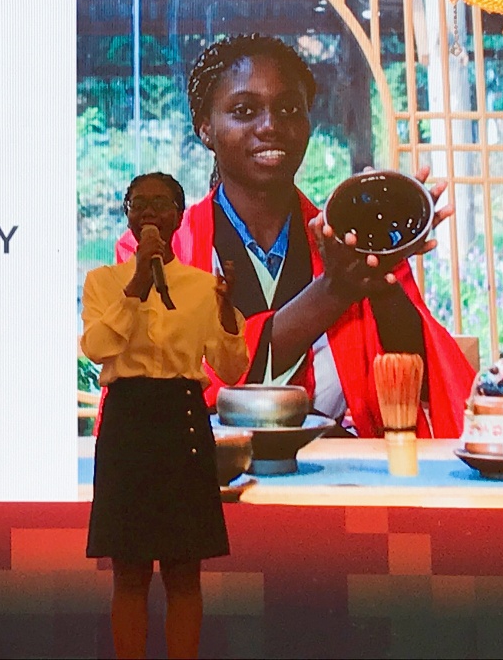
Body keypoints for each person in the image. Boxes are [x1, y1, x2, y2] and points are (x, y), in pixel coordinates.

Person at [115, 34, 474, 437]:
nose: (270, 125)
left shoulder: (347, 243)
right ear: (206, 129)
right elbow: (171, 383)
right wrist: (332, 292)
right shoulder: (157, 249)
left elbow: (417, 384)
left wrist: (384, 276)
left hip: (337, 469)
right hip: (201, 471)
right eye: (244, 110)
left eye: (288, 109)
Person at [81, 172, 248, 660]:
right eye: (138, 203)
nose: (149, 212)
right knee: (129, 572)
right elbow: (96, 347)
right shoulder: (103, 282)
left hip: (182, 424)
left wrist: (226, 312)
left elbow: (230, 369)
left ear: (178, 216)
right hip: (127, 424)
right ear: (128, 215)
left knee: (183, 571)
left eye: (160, 203)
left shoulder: (202, 286)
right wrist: (136, 284)